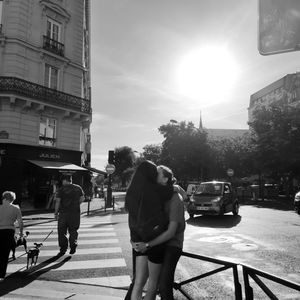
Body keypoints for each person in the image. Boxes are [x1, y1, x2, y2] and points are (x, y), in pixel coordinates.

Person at [133, 165, 186, 300]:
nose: (153, 176)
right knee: (143, 282)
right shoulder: (159, 193)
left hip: (172, 244)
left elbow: (171, 233)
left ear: (165, 179)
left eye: (157, 174)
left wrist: (148, 245)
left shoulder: (175, 199)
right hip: (158, 243)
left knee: (163, 285)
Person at [125, 160, 173, 300]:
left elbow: (133, 217)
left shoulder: (132, 190)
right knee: (152, 282)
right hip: (151, 238)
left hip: (136, 239)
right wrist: (174, 186)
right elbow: (168, 191)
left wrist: (132, 239)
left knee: (138, 282)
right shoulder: (151, 188)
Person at [54, 175, 84, 255]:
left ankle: (63, 248)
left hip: (63, 214)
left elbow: (58, 201)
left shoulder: (61, 189)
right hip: (75, 214)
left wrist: (56, 213)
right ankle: (73, 245)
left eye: (62, 181)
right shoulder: (78, 188)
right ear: (70, 180)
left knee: (62, 231)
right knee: (73, 230)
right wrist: (76, 205)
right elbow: (82, 198)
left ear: (64, 180)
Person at [0, 191, 23, 281]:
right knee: (5, 254)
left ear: (4, 198)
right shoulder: (16, 208)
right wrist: (21, 233)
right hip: (9, 232)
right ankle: (1, 275)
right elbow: (20, 222)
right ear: (12, 199)